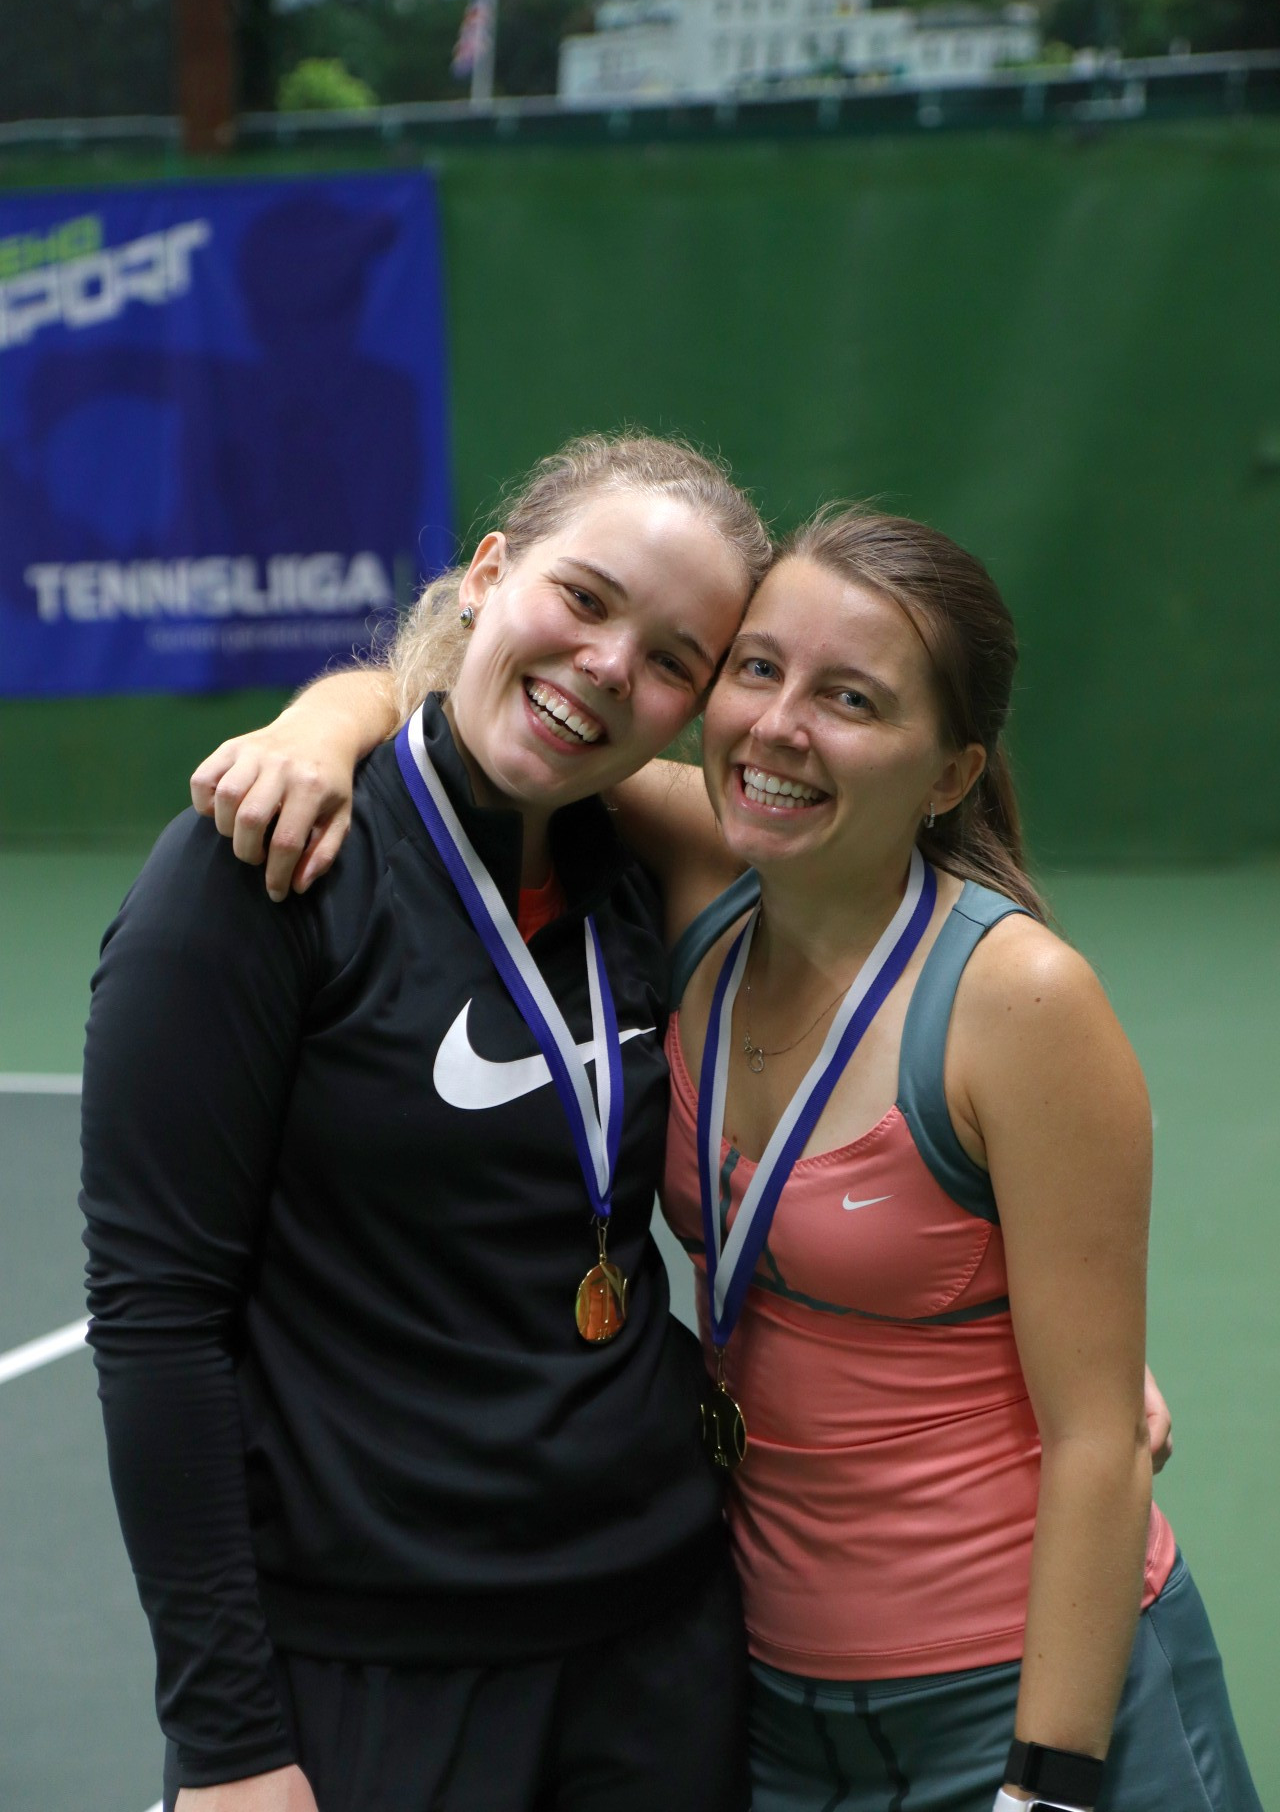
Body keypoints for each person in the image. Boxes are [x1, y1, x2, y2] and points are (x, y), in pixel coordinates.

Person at [190, 512, 1221, 1812]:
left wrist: (1050, 1788)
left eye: (850, 697)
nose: (781, 727)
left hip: (1010, 1695)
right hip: (775, 1700)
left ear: (951, 773)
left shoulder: (1019, 997)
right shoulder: (698, 874)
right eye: (756, 669)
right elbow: (443, 704)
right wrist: (311, 734)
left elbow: (1098, 1441)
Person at [80, 433, 774, 1812]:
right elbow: (158, 1321)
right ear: (488, 574)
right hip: (376, 1678)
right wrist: (227, 1747)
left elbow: (918, 932)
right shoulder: (264, 872)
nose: (604, 667)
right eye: (583, 598)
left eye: (670, 658)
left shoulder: (645, 870)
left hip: (657, 1649)